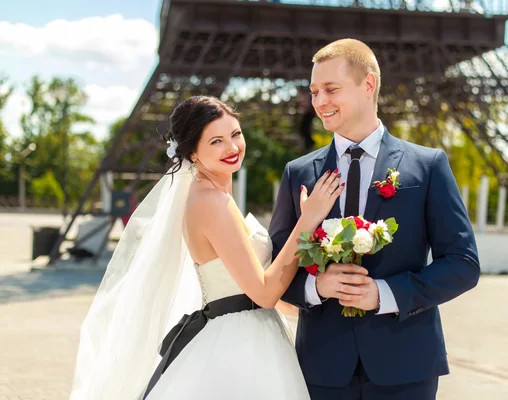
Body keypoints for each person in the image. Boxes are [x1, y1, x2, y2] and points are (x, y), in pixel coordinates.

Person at [69, 96, 353, 400]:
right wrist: (308, 220)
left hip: (245, 335)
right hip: (239, 349)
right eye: (216, 141)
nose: (232, 148)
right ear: (192, 152)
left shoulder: (211, 195)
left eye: (235, 134)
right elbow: (264, 293)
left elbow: (244, 289)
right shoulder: (211, 202)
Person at [269, 38, 480, 399]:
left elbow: (463, 264)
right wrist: (315, 288)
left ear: (368, 85)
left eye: (331, 89)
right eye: (314, 91)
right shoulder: (298, 172)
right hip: (321, 367)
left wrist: (385, 293)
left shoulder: (427, 166)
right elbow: (274, 268)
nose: (319, 102)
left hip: (407, 366)